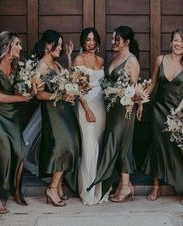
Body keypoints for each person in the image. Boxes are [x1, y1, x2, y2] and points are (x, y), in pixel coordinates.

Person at [143, 28, 183, 205]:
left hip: (178, 112)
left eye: (182, 41)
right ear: (170, 42)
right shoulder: (160, 59)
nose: (178, 44)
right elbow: (153, 83)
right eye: (176, 40)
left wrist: (178, 110)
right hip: (158, 110)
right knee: (156, 147)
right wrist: (139, 97)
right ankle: (156, 187)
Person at [87, 26, 143, 202]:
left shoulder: (132, 61)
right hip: (112, 109)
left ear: (126, 42)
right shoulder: (116, 57)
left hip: (125, 110)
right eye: (112, 39)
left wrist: (139, 106)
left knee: (122, 146)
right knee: (114, 143)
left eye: (116, 39)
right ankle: (122, 184)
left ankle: (125, 186)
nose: (112, 42)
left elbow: (135, 89)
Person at [0, 31, 32, 214]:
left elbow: (25, 87)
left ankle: (15, 191)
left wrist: (33, 87)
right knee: (4, 150)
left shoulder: (18, 66)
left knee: (19, 150)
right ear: (7, 46)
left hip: (11, 116)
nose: (21, 47)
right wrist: (21, 99)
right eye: (17, 44)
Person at [33, 29, 81, 207]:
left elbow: (67, 78)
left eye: (61, 45)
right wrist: (60, 96)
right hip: (53, 112)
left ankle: (59, 185)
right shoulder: (41, 66)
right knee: (64, 145)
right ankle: (52, 188)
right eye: (58, 44)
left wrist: (68, 57)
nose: (60, 48)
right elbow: (39, 94)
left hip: (64, 110)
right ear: (47, 44)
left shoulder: (56, 63)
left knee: (73, 142)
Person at [72, 27, 108, 205]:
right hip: (86, 105)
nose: (91, 43)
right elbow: (77, 88)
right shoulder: (78, 59)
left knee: (99, 145)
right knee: (89, 146)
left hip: (101, 105)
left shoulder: (101, 60)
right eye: (88, 40)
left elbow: (103, 85)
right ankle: (87, 190)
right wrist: (86, 109)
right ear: (83, 42)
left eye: (94, 39)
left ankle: (99, 189)